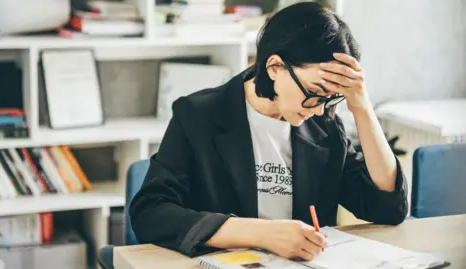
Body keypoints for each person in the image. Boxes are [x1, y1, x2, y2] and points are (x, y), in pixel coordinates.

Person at [129, 2, 408, 262]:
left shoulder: (323, 125)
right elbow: (150, 214)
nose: (320, 110)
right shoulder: (198, 116)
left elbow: (386, 208)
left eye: (330, 98)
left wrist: (361, 106)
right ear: (275, 67)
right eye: (314, 93)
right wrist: (263, 233)